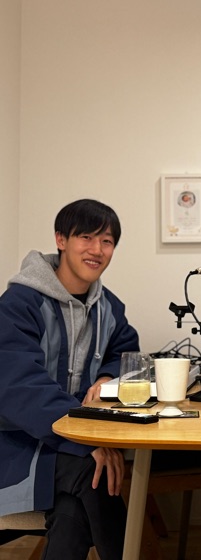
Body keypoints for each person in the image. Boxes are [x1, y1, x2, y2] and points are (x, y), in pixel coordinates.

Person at [0, 199, 139, 560]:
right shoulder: (19, 304)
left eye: (107, 241)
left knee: (73, 510)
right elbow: (19, 387)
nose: (97, 250)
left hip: (68, 438)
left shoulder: (108, 307)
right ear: (61, 239)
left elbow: (127, 353)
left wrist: (107, 377)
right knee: (96, 471)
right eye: (86, 237)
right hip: (17, 442)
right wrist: (83, 441)